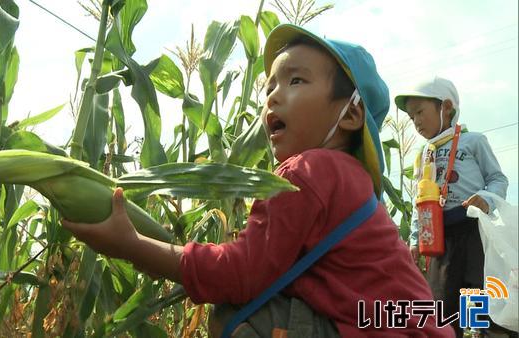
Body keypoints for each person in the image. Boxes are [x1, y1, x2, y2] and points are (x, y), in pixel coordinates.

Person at [62, 24, 453, 337]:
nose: (272, 98)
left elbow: (240, 274)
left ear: (350, 116)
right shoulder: (351, 181)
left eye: (295, 81)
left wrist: (129, 244)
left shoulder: (308, 172)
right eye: (269, 86)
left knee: (237, 312)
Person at [394, 76, 511, 338]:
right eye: (412, 118)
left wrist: (486, 198)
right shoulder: (424, 155)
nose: (417, 122)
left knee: (482, 296)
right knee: (442, 305)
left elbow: (498, 179)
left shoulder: (473, 142)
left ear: (446, 107)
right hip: (437, 237)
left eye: (420, 112)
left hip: (473, 229)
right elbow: (418, 200)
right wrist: (414, 238)